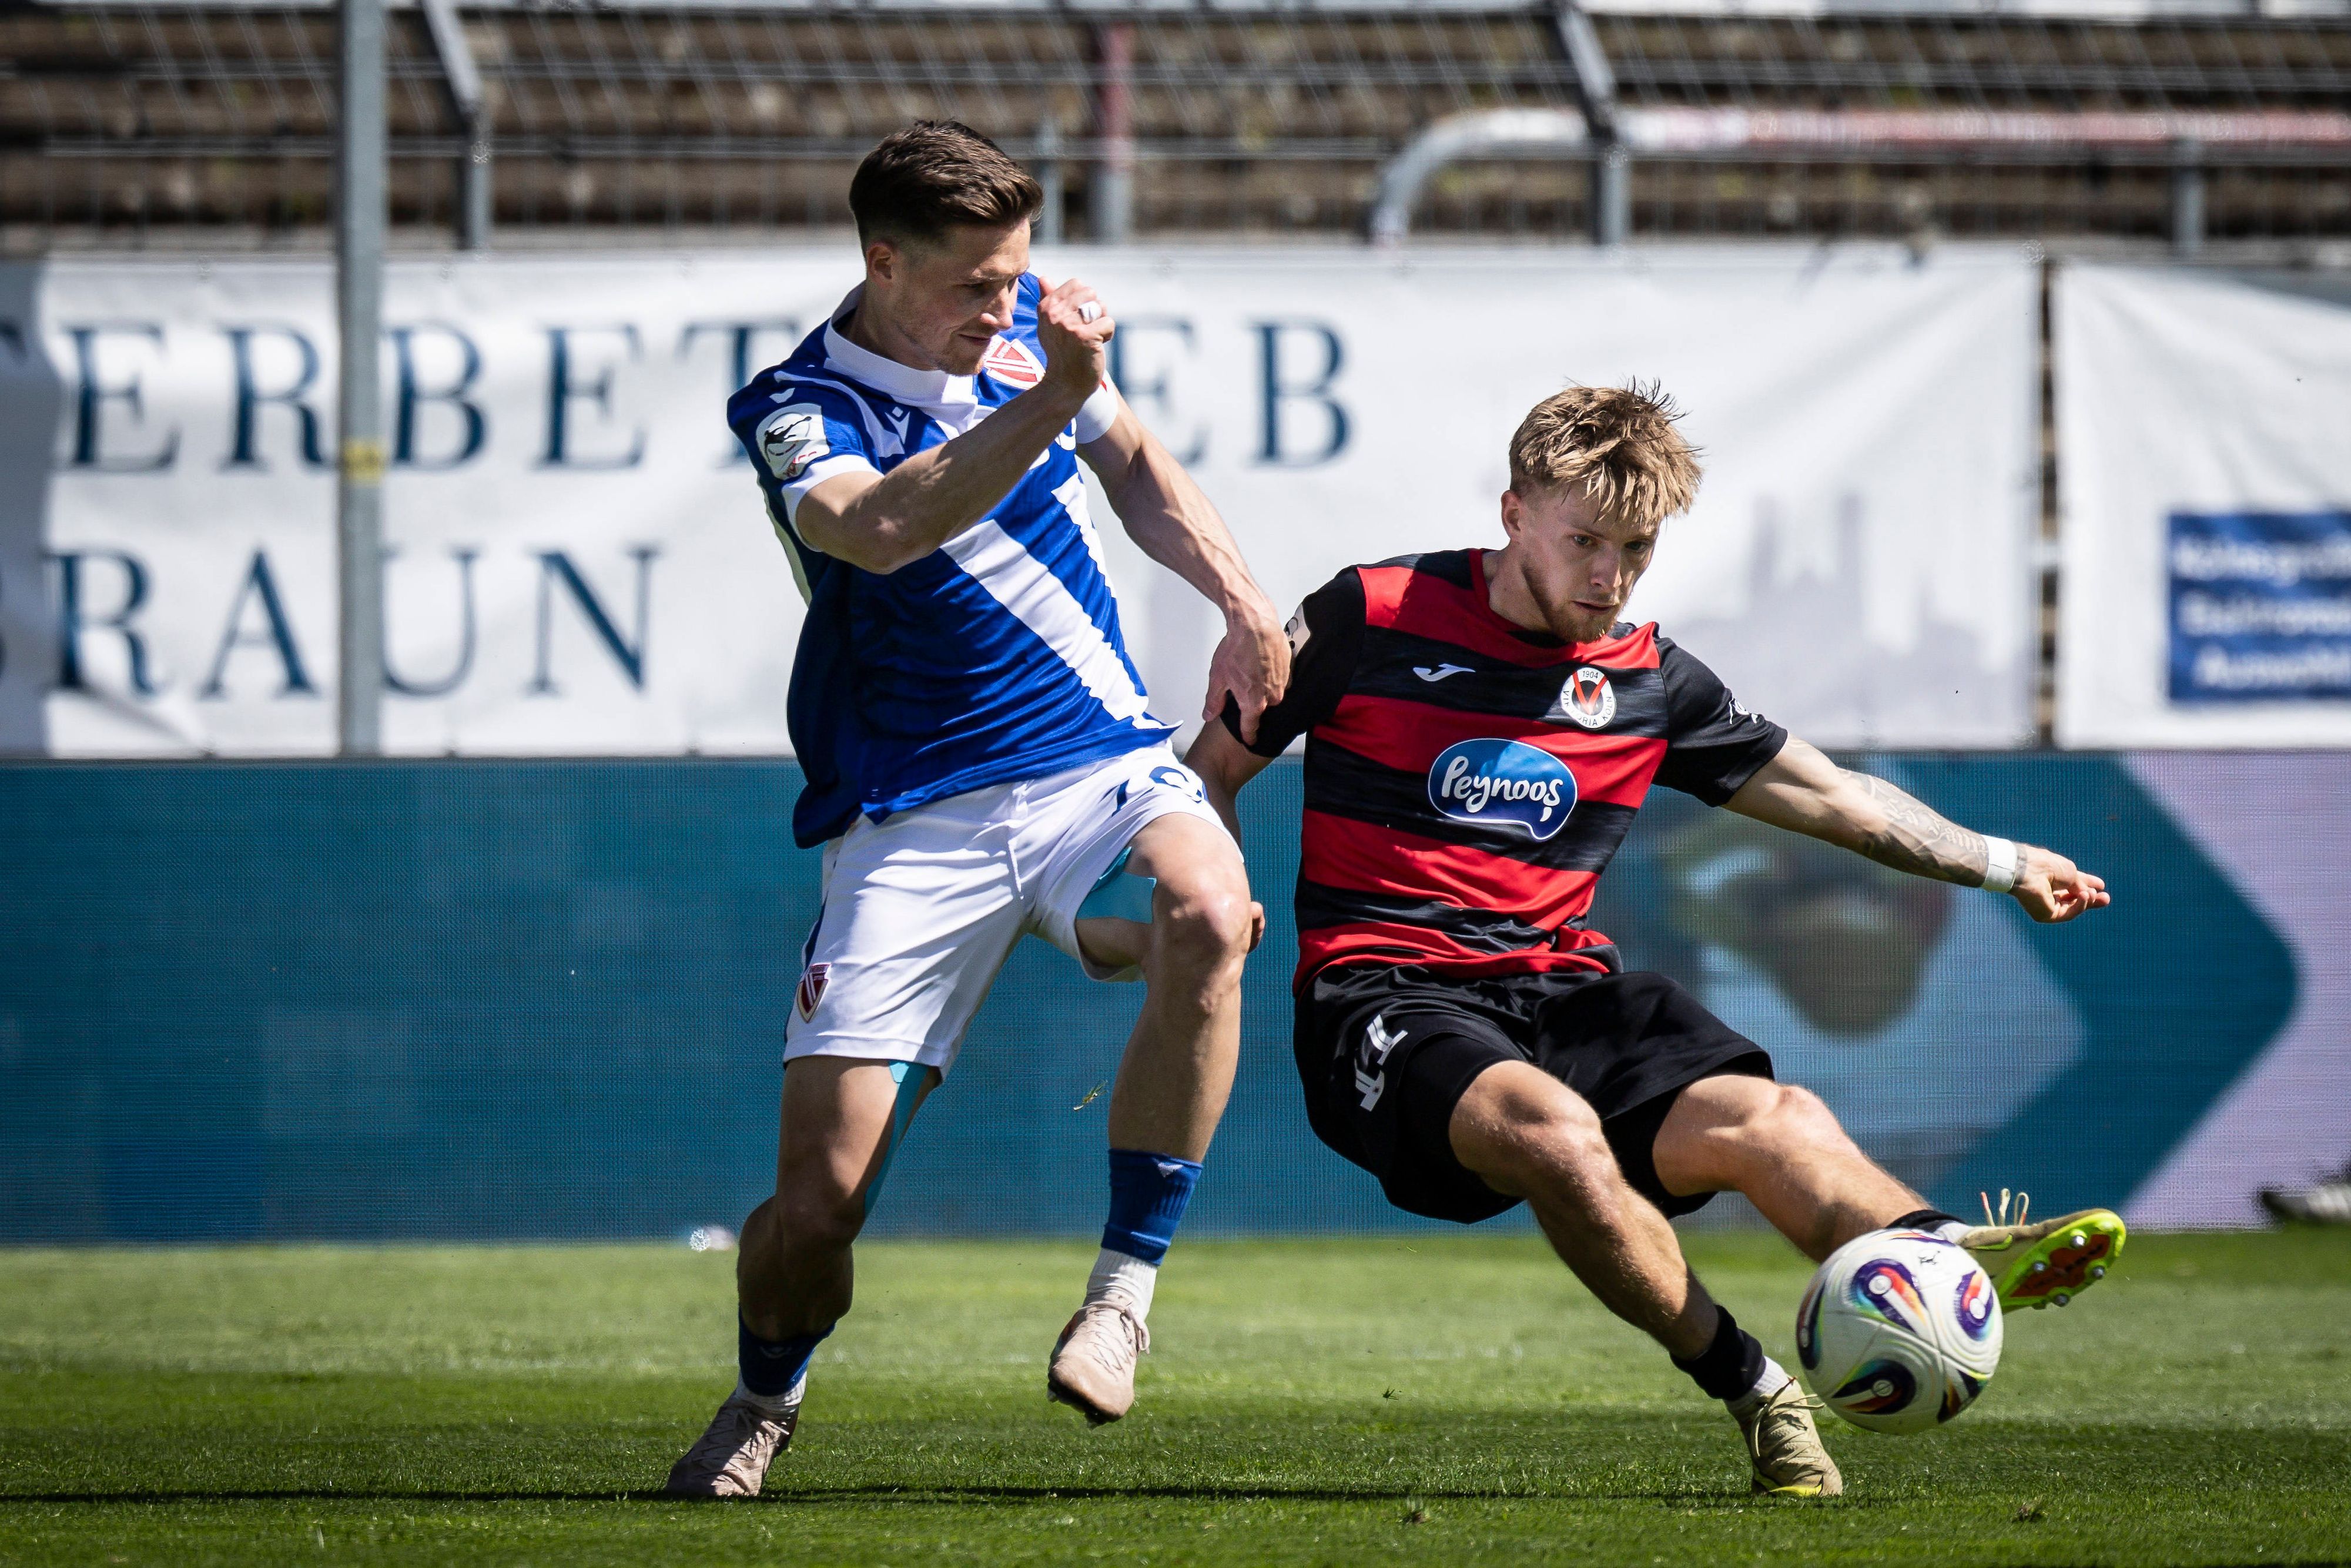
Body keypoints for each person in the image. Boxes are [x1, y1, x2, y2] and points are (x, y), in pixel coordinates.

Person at [1185, 383, 2126, 1499]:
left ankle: (1935, 1256)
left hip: (1560, 993)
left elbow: (1832, 798)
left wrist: (2003, 863)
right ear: (1513, 511)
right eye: (1585, 541)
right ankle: (1755, 1388)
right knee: (1553, 1130)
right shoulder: (1369, 615)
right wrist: (1204, 903)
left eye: (1635, 549)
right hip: (1383, 997)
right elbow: (1208, 777)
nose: (1609, 578)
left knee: (1771, 1119)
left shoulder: (1647, 679)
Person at [665, 120, 1290, 1498]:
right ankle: (767, 1394)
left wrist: (1242, 600)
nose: (1001, 308)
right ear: (883, 261)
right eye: (972, 286)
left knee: (1209, 904)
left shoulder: (1026, 352)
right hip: (914, 813)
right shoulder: (796, 403)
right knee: (812, 1214)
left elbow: (1132, 469)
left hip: (1092, 760)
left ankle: (1121, 1290)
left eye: (1017, 277)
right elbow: (880, 527)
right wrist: (1054, 384)